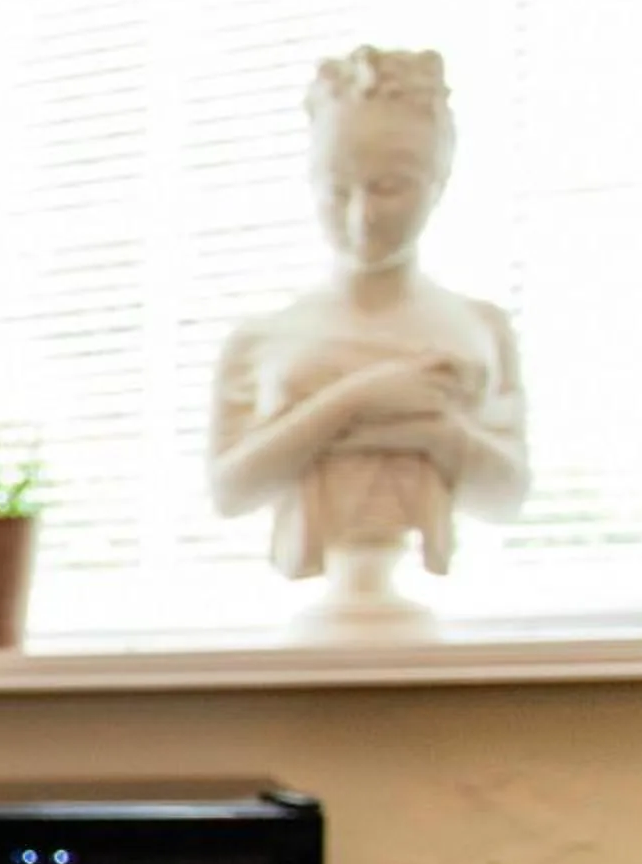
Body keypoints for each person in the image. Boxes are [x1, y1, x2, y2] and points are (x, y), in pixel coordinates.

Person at [208, 46, 528, 633]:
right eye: (337, 190)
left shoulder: (480, 328)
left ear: (440, 182)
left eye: (389, 188)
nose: (361, 218)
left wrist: (432, 432)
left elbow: (506, 495)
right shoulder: (262, 340)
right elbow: (230, 490)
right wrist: (368, 396)